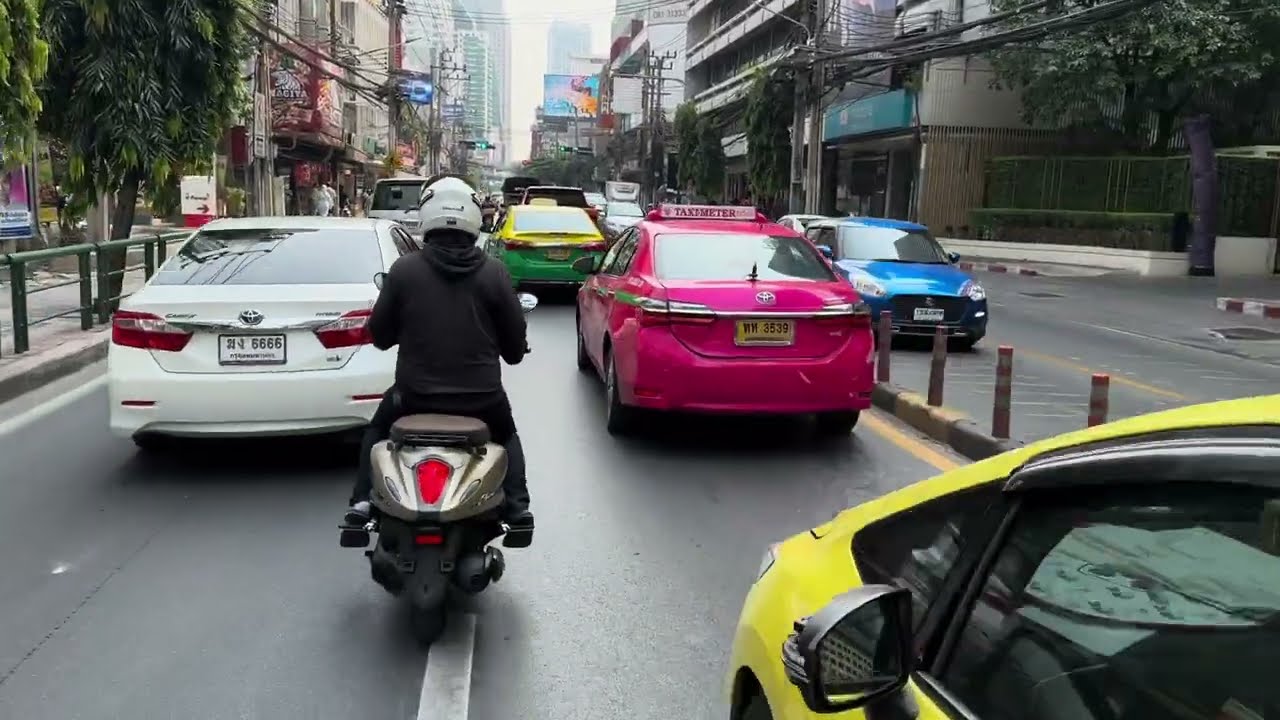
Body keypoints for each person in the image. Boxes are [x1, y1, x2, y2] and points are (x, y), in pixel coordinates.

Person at [344, 176, 534, 532]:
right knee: (507, 435)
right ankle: (518, 510)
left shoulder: (404, 271)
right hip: (482, 400)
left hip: (413, 397)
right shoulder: (495, 274)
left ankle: (362, 501)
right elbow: (514, 352)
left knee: (375, 432)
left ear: (427, 216)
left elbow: (380, 337)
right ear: (474, 220)